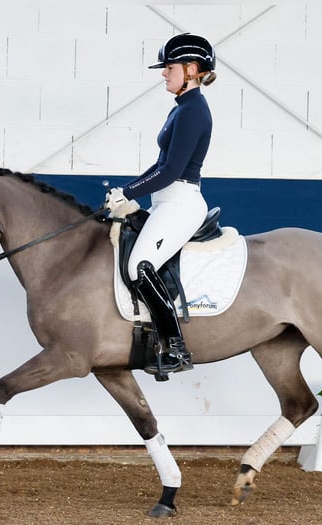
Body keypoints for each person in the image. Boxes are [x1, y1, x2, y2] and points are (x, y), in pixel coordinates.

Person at [105, 32, 217, 376]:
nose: (164, 74)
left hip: (181, 202)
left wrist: (131, 193)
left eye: (169, 68)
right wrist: (127, 189)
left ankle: (177, 349)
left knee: (139, 265)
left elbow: (170, 172)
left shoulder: (194, 111)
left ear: (192, 69)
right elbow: (159, 166)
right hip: (167, 200)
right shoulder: (181, 109)